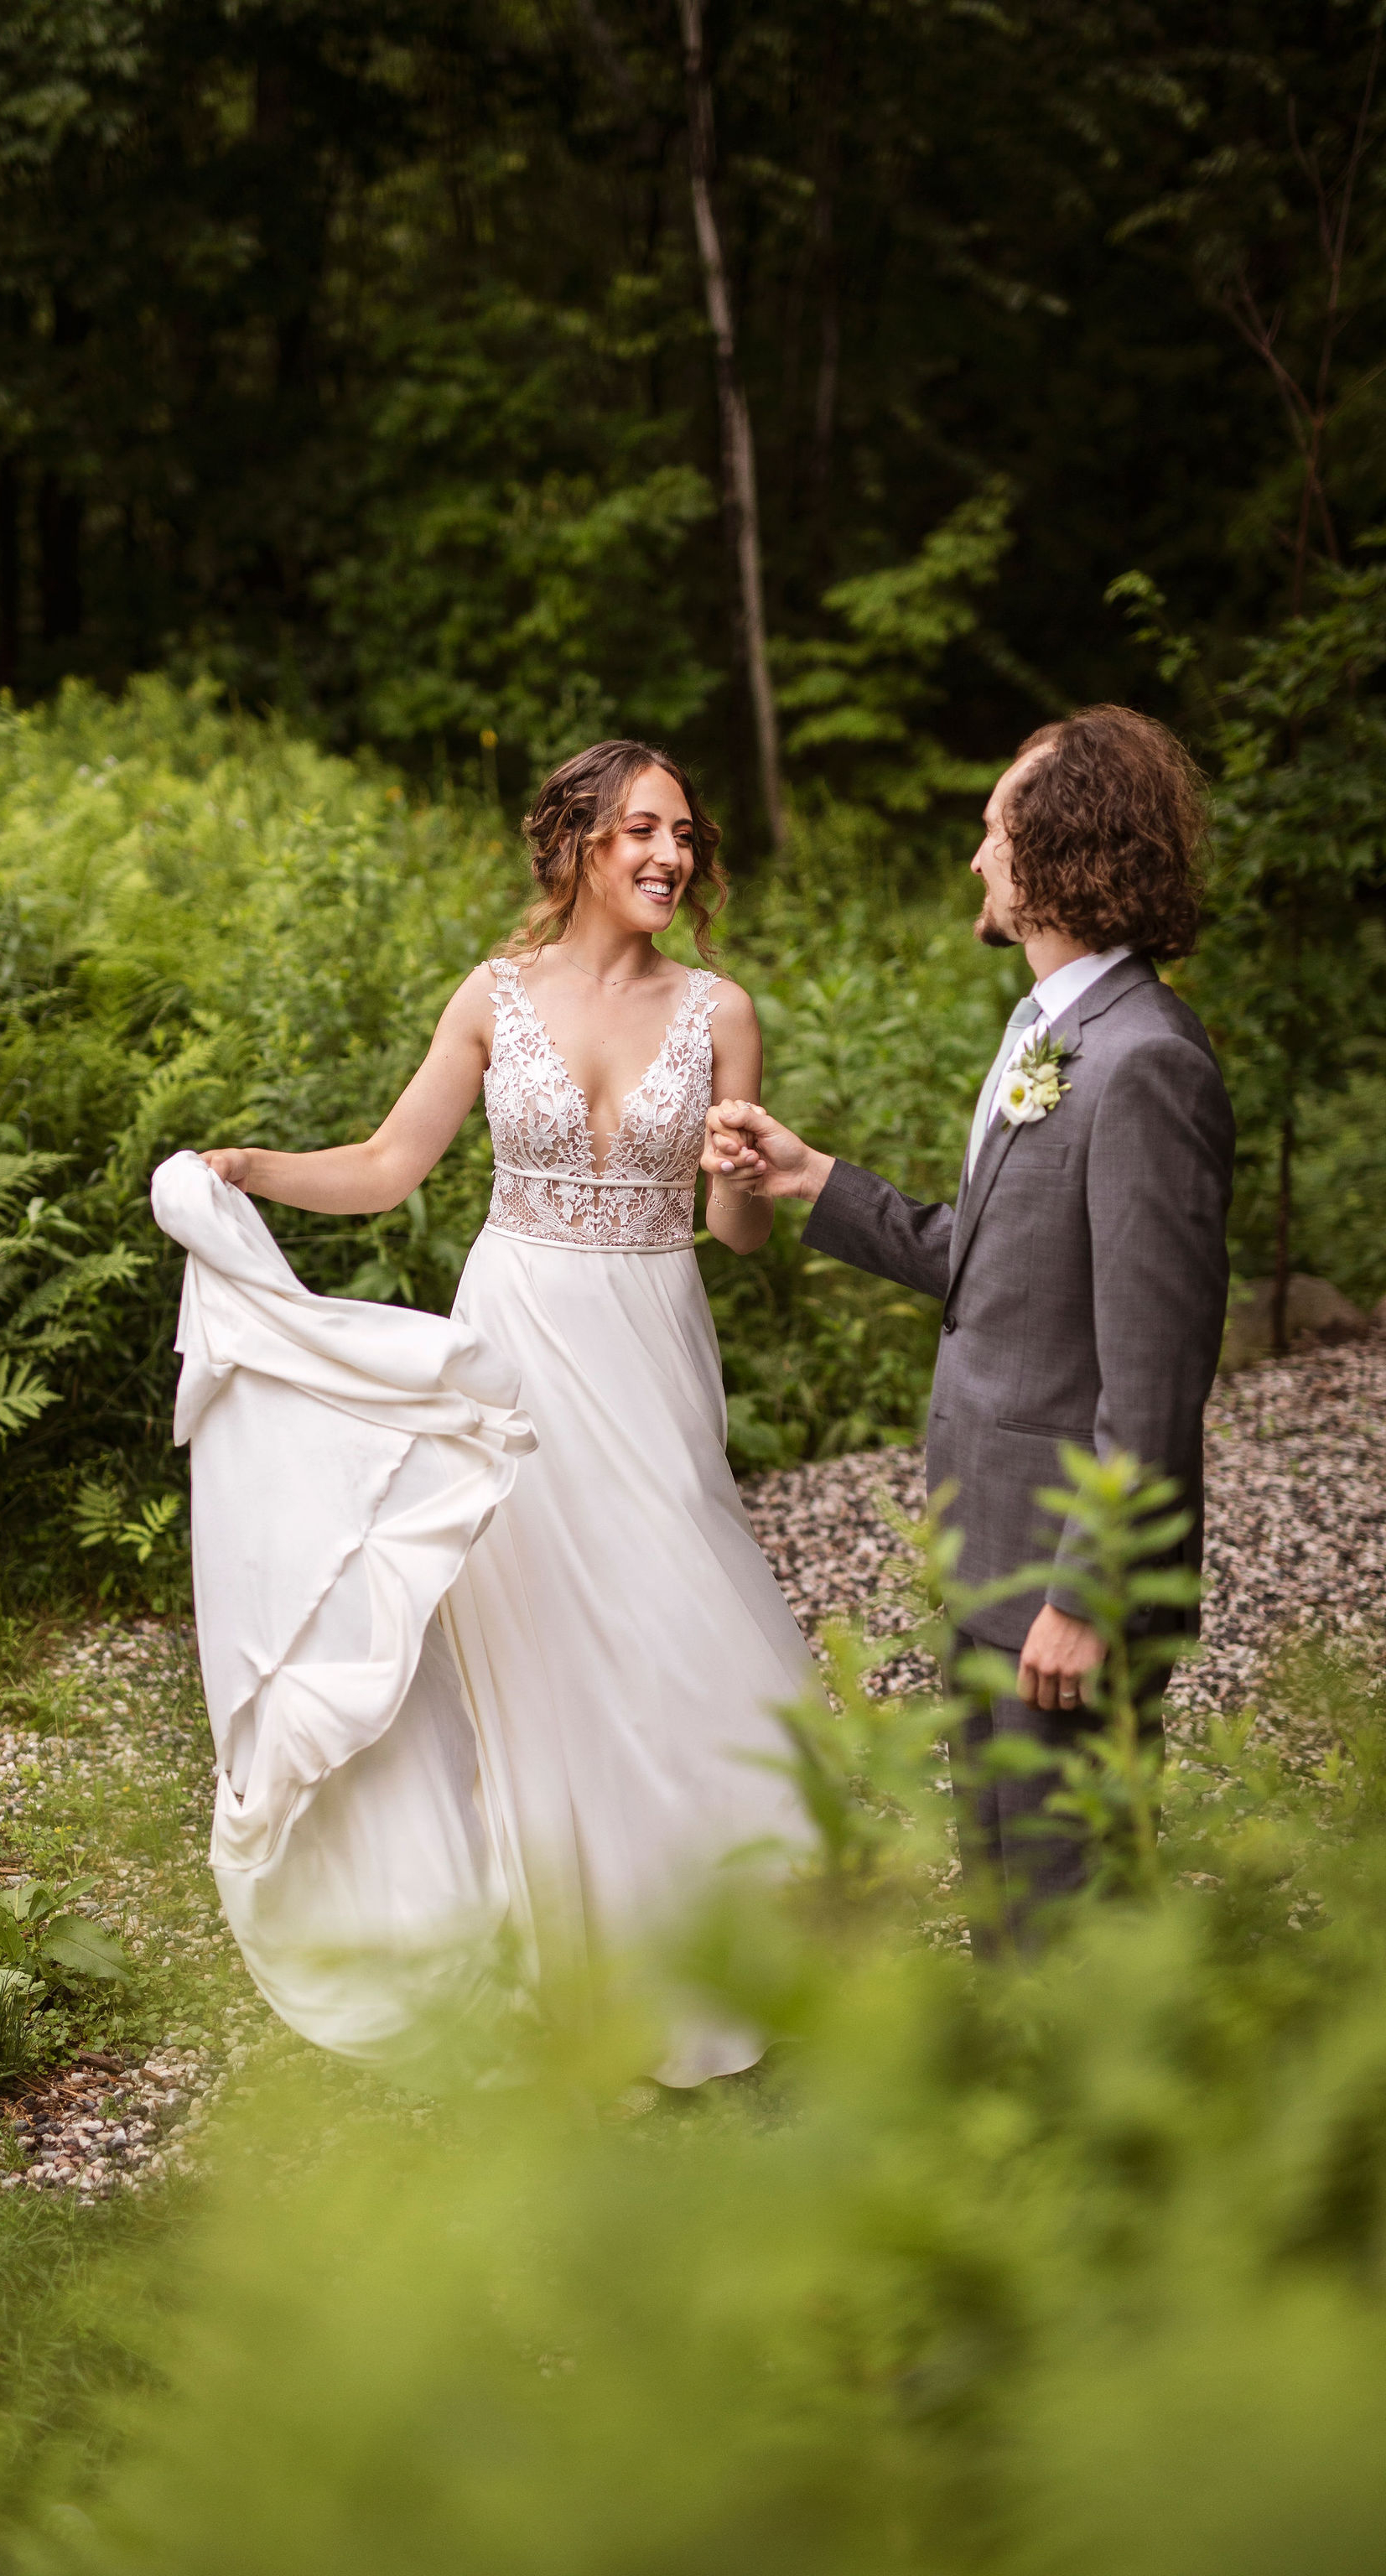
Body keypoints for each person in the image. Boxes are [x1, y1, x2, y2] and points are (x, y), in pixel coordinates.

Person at [183, 738, 816, 2082]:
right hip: (516, 1329)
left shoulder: (723, 1011)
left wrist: (746, 1170)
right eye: (643, 829)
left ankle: (714, 1956)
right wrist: (246, 1168)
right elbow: (385, 1165)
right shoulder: (495, 995)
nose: (670, 856)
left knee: (671, 1612)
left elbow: (740, 1231)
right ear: (580, 841)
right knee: (528, 1641)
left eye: (687, 836)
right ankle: (564, 1971)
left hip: (650, 1334)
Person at [703, 706, 1234, 1947]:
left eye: (994, 831)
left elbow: (1154, 1375)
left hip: (1063, 1579)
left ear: (1058, 853)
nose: (976, 858)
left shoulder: (1145, 1062)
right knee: (1009, 1904)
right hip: (994, 1548)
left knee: (1077, 1916)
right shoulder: (1049, 1032)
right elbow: (1001, 1267)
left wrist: (1088, 1597)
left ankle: (1110, 2140)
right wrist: (811, 1180)